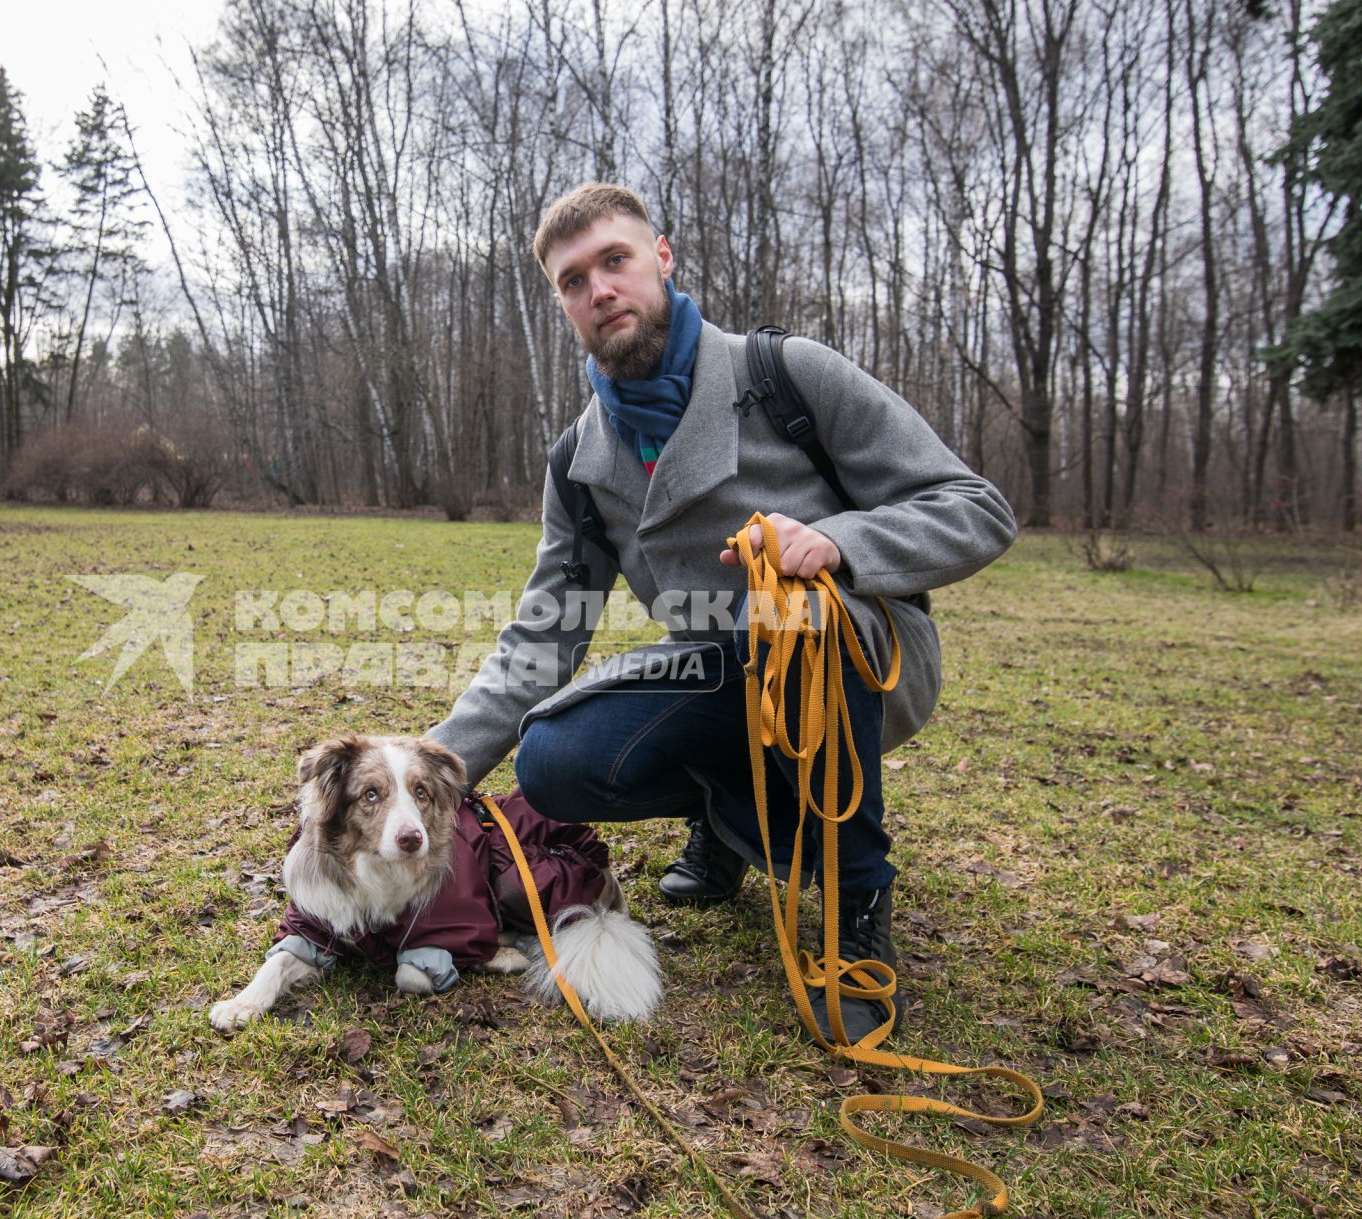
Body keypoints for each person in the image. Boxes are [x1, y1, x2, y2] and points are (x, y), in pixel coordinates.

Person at [425, 182, 1017, 1043]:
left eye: (616, 260)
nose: (600, 289)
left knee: (797, 628)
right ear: (562, 304)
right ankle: (730, 826)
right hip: (717, 673)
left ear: (660, 257)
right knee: (553, 760)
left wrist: (840, 542)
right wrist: (438, 767)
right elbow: (544, 634)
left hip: (856, 654)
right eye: (572, 279)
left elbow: (976, 507)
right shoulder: (579, 464)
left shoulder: (787, 374)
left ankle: (856, 899)